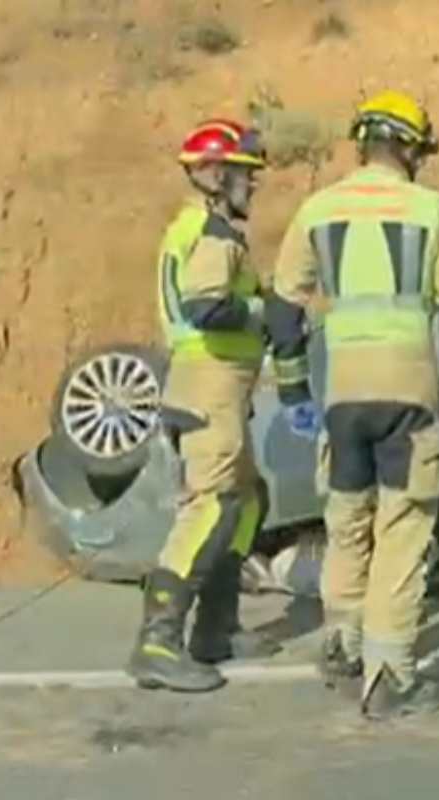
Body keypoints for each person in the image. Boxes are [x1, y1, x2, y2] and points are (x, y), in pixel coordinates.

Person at [267, 89, 439, 720]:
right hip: (409, 393)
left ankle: (341, 646)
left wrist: (293, 390)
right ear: (411, 148)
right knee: (402, 529)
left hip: (343, 397)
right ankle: (389, 678)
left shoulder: (318, 209)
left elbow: (284, 309)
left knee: (347, 522)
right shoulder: (429, 209)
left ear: (362, 142)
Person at [125, 118, 282, 693]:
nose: (253, 186)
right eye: (246, 175)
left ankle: (216, 629)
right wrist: (270, 313)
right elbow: (208, 308)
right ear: (216, 176)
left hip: (213, 384)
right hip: (208, 383)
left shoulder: (194, 228)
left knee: (245, 501)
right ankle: (157, 643)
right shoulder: (213, 234)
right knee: (212, 506)